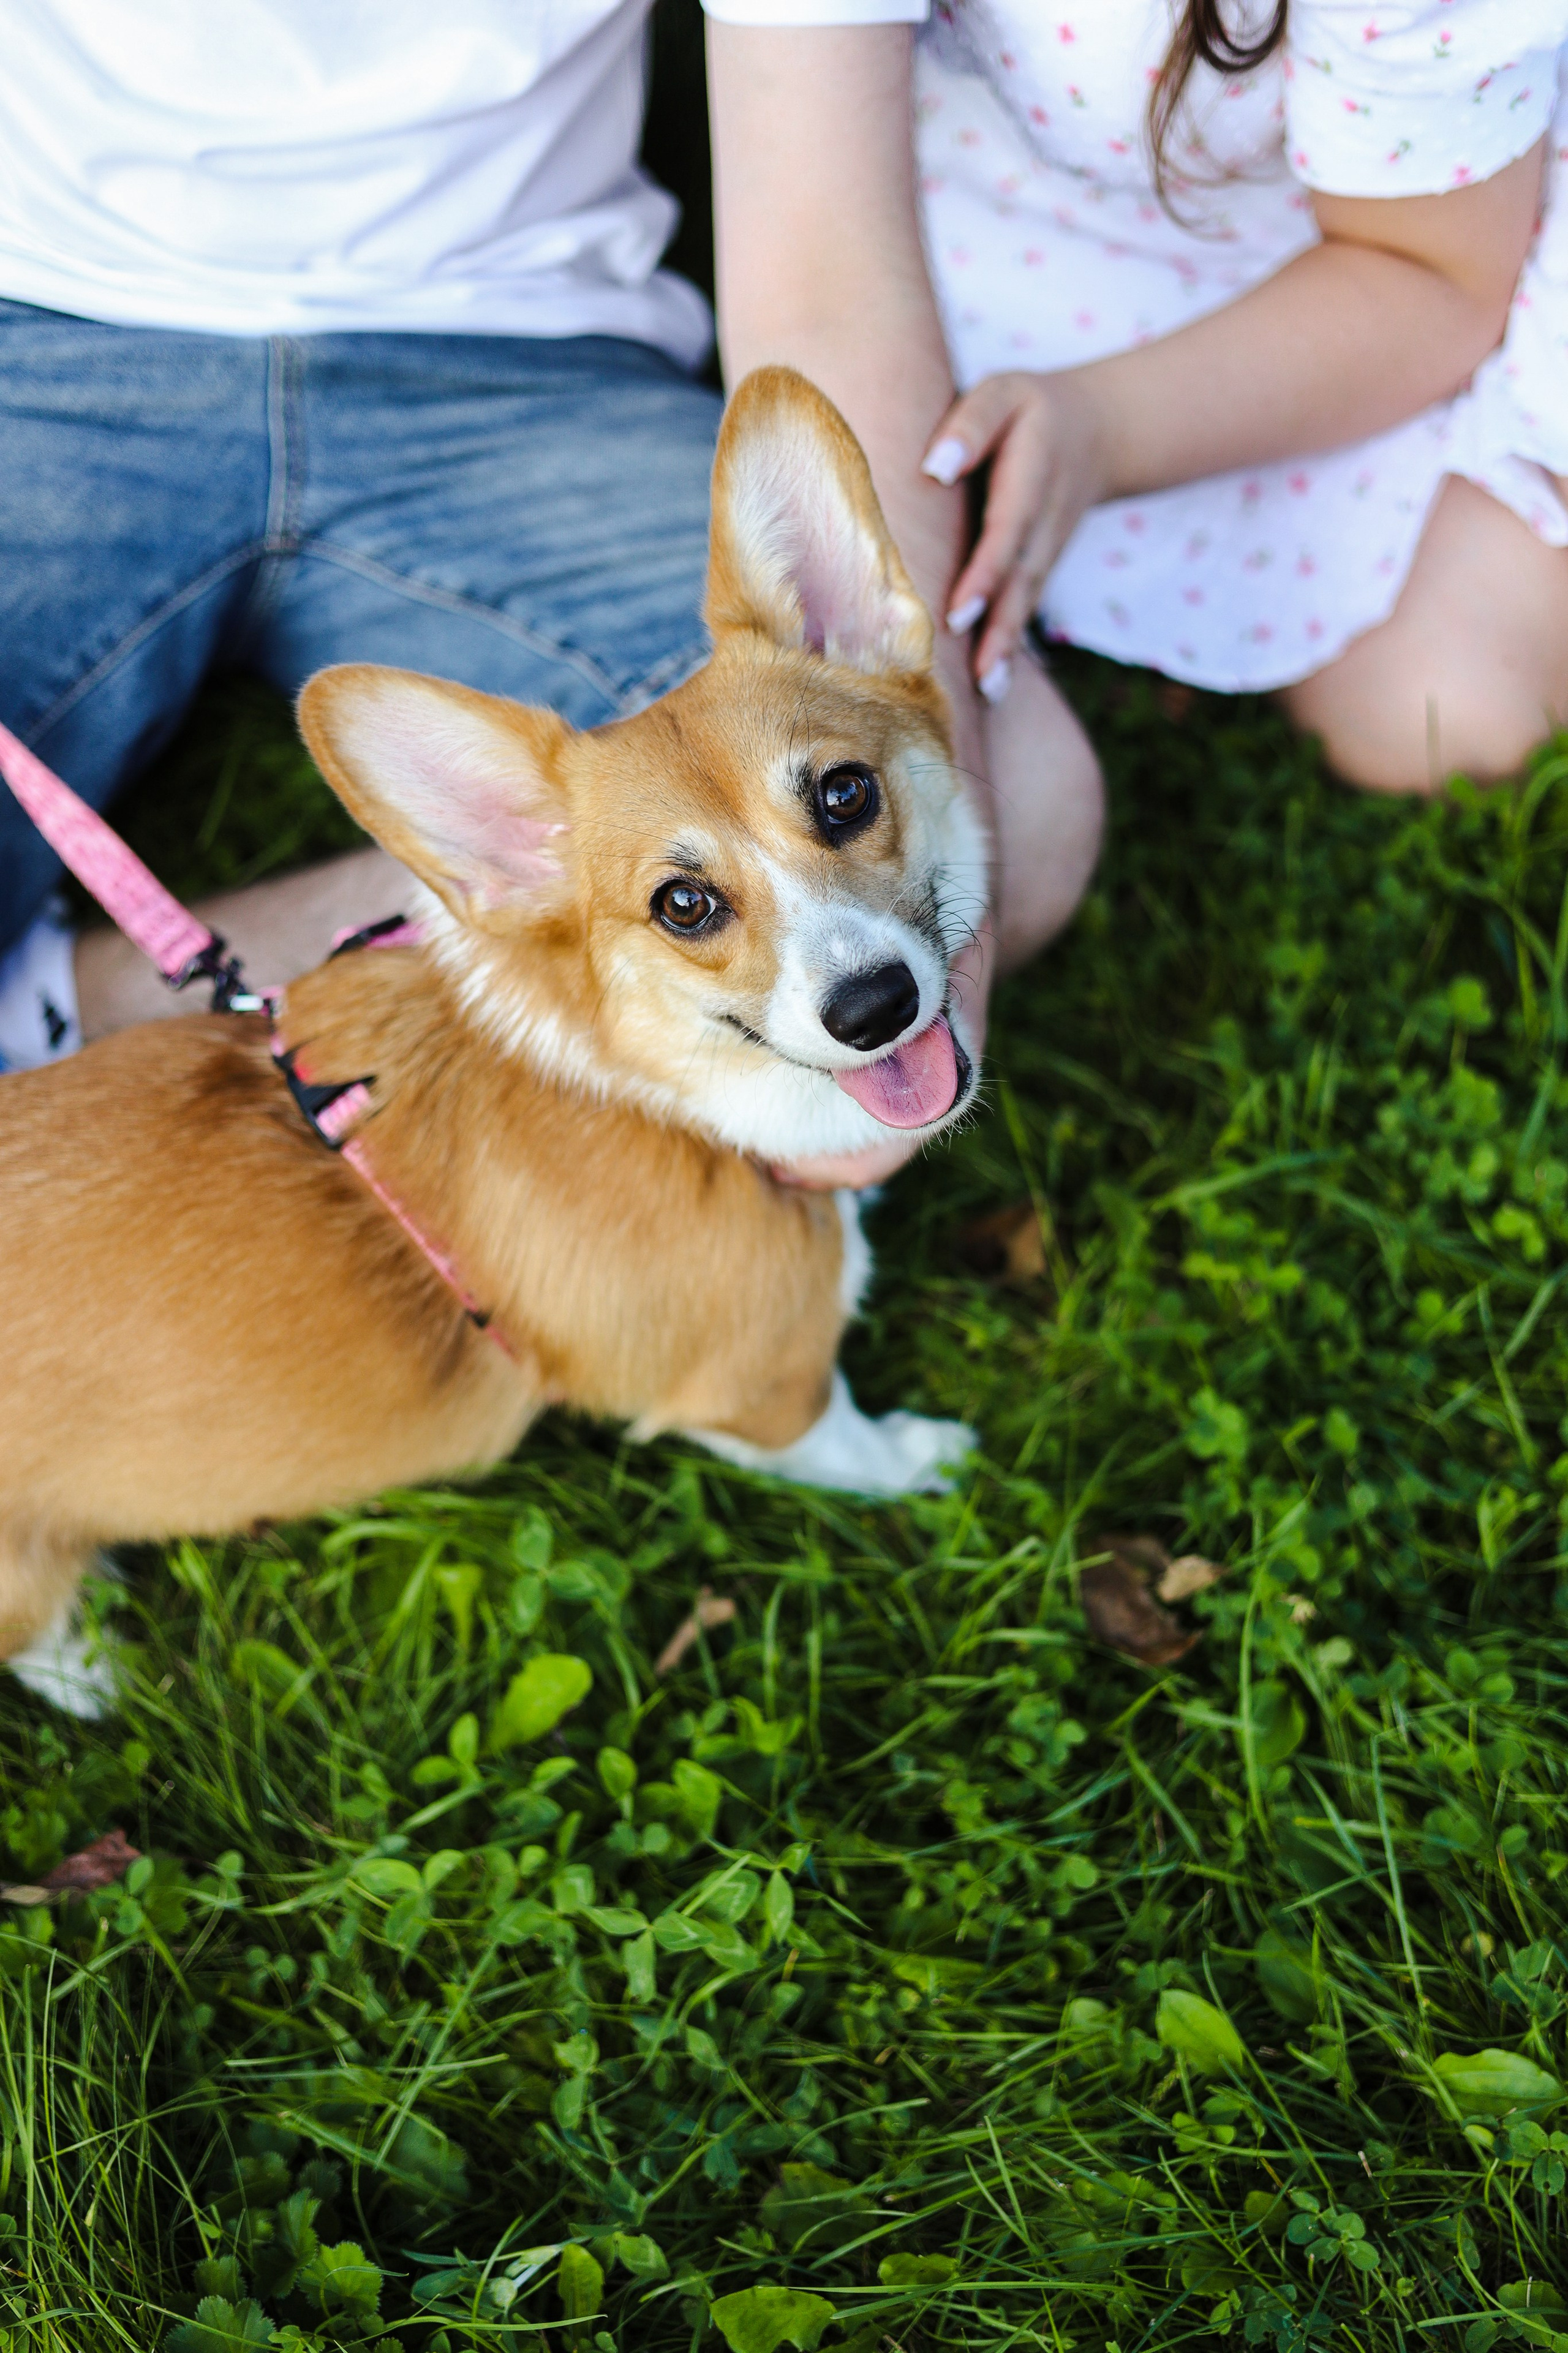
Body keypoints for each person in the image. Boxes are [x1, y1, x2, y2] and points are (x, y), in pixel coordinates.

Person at [703, 0, 1568, 1173]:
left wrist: (1106, 427)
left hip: (1395, 247)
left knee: (1451, 713)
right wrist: (943, 774)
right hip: (997, 218)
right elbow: (822, 285)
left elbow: (1434, 273)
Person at [0, 0, 725, 1075]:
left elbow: (820, 271)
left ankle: (64, 1007)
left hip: (522, 352)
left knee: (995, 809)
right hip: (50, 312)